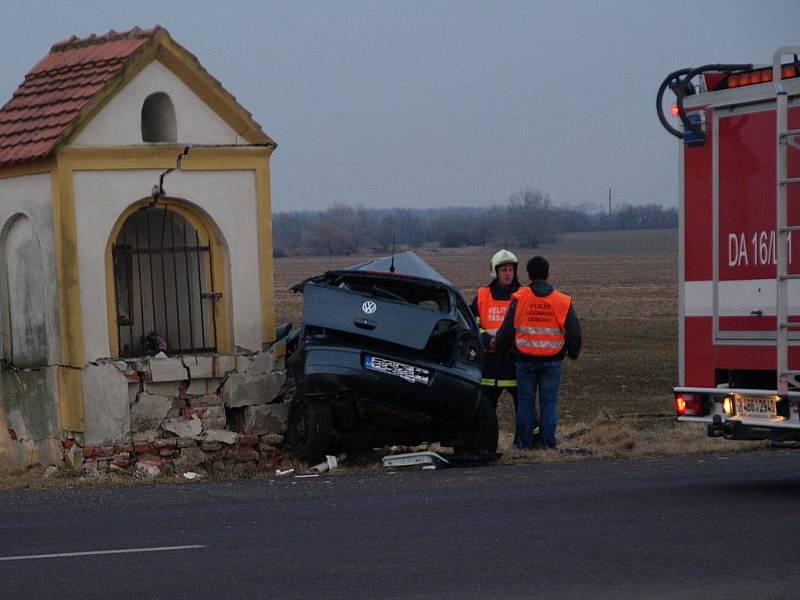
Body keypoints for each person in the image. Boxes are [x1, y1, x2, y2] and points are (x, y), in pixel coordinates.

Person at [496, 256, 581, 449]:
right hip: (552, 361)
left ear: (528, 275)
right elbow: (574, 333)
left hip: (524, 361)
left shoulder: (520, 298)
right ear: (548, 273)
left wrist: (501, 351)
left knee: (525, 404)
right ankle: (548, 444)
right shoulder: (562, 300)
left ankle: (523, 446)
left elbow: (507, 330)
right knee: (548, 404)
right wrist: (573, 353)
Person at [470, 250, 537, 437]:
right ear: (495, 272)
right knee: (484, 410)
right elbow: (473, 324)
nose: (508, 273)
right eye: (504, 270)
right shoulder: (482, 296)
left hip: (517, 362)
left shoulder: (525, 295)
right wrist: (487, 339)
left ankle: (529, 443)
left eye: (511, 269)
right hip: (490, 364)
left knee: (526, 408)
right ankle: (482, 444)